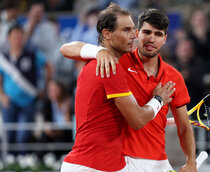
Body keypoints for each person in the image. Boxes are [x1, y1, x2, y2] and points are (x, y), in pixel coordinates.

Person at [60, 7, 197, 172]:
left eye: (158, 34)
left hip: (149, 162)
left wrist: (191, 162)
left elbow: (183, 126)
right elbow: (65, 49)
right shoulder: (113, 64)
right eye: (146, 32)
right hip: (115, 162)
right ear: (139, 34)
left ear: (165, 39)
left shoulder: (174, 77)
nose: (151, 39)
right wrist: (99, 51)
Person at [0, 24, 51, 155]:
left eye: (20, 35)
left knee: (23, 135)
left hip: (29, 101)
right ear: (9, 38)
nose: (17, 38)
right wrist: (2, 96)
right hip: (9, 102)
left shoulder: (32, 54)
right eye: (15, 35)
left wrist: (44, 88)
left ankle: (23, 163)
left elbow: (48, 66)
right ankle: (10, 164)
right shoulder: (3, 58)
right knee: (9, 135)